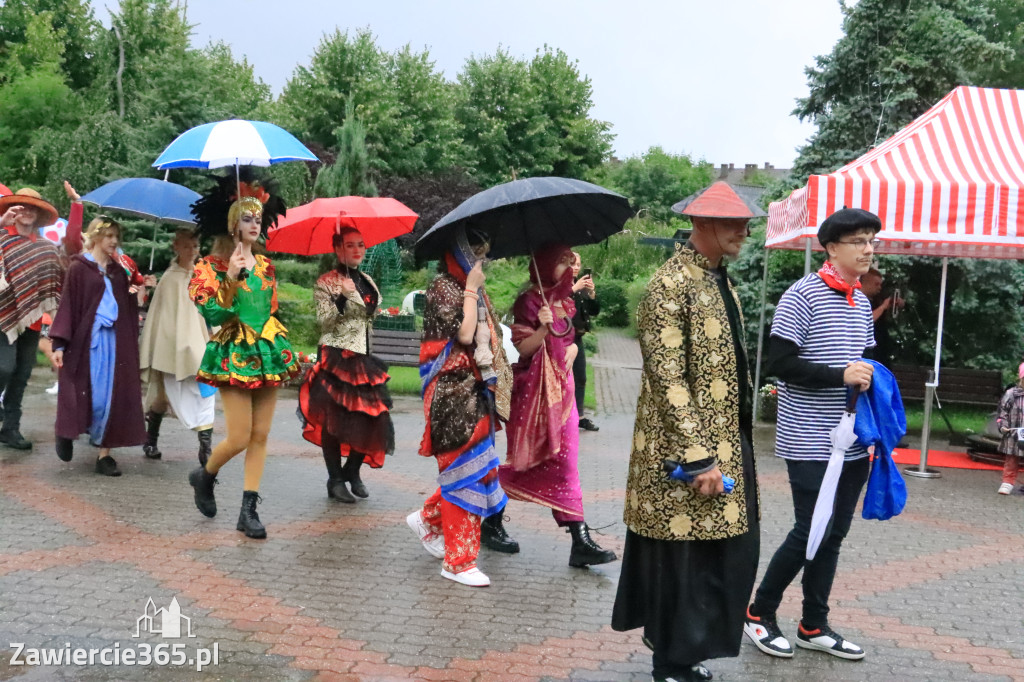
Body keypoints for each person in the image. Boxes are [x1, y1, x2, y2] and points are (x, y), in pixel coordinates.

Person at [611, 180, 761, 682]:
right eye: (733, 223)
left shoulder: (720, 280)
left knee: (719, 557)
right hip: (683, 455)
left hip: (726, 445)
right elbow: (667, 377)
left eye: (744, 222)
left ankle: (683, 656)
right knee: (682, 563)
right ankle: (669, 664)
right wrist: (698, 457)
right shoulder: (669, 285)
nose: (744, 231)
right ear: (702, 225)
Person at [744, 207, 878, 662]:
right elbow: (779, 364)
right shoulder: (802, 295)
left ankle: (813, 624)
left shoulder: (860, 301)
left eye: (871, 240)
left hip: (853, 440)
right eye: (858, 240)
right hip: (809, 439)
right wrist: (839, 375)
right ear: (832, 247)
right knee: (811, 529)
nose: (868, 249)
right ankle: (759, 612)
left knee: (834, 533)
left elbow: (866, 362)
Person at [488, 243, 617, 568]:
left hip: (564, 390)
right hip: (535, 395)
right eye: (561, 262)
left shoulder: (563, 300)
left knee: (565, 463)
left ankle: (580, 540)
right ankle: (486, 510)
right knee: (532, 463)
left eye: (569, 262)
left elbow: (568, 339)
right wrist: (543, 328)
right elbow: (524, 349)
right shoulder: (528, 301)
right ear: (544, 264)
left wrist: (572, 350)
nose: (569, 269)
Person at [186, 183, 300, 539]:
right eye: (247, 218)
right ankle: (205, 475)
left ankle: (247, 509)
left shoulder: (266, 265)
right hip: (233, 352)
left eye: (259, 219)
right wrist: (231, 279)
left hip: (266, 350)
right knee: (238, 437)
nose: (255, 224)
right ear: (233, 224)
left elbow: (270, 307)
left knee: (261, 435)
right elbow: (214, 312)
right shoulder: (209, 267)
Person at [407, 226, 511, 587]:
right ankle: (458, 562)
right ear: (459, 252)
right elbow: (465, 335)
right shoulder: (443, 288)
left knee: (480, 467)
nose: (482, 261)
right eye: (477, 253)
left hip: (475, 389)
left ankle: (428, 518)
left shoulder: (470, 288)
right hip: (450, 393)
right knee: (462, 471)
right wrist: (471, 289)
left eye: (484, 254)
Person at [299, 226, 394, 503]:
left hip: (363, 359)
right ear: (338, 249)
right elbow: (324, 321)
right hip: (336, 356)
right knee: (335, 421)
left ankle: (352, 470)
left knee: (372, 418)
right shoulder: (327, 281)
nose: (357, 250)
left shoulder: (366, 279)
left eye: (361, 245)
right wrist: (341, 296)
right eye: (350, 245)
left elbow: (369, 314)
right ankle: (335, 479)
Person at [50, 216, 146, 475]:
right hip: (86, 341)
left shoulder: (118, 272)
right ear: (95, 237)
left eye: (117, 236)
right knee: (82, 392)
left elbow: (124, 309)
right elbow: (68, 305)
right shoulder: (79, 268)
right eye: (109, 236)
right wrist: (59, 344)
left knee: (109, 397)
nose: (114, 241)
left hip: (114, 341)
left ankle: (104, 453)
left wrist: (135, 293)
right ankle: (66, 432)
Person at [0, 183, 82, 449]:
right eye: (21, 208)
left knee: (22, 375)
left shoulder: (47, 248)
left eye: (32, 209)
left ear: (37, 215)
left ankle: (10, 429)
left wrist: (77, 207)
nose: (26, 213)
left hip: (33, 321)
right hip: (3, 319)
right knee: (4, 368)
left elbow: (68, 259)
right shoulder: (1, 237)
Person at [137, 229, 215, 464]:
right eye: (188, 246)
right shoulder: (170, 279)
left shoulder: (202, 275)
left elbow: (208, 311)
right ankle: (151, 440)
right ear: (176, 247)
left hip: (200, 345)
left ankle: (205, 447)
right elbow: (165, 318)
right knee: (162, 396)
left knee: (205, 393)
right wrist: (175, 345)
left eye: (196, 245)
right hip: (172, 348)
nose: (193, 250)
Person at [570, 252, 600, 432]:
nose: (576, 267)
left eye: (579, 264)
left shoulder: (581, 287)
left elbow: (594, 311)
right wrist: (574, 289)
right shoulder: (561, 285)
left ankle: (579, 416)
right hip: (562, 338)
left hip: (577, 336)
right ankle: (565, 415)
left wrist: (591, 293)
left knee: (580, 377)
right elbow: (558, 303)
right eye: (572, 264)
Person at [859, 268, 902, 366]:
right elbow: (867, 320)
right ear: (865, 283)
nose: (879, 288)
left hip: (881, 348)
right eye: (876, 284)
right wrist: (883, 307)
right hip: (867, 350)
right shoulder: (858, 301)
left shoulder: (875, 300)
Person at [995, 363, 1024, 495]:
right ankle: (1007, 482)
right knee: (1011, 459)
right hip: (1014, 433)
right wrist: (1003, 426)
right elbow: (1003, 412)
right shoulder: (1011, 394)